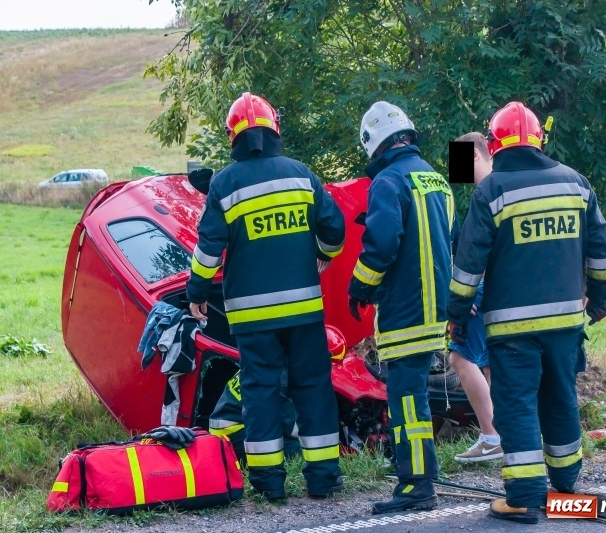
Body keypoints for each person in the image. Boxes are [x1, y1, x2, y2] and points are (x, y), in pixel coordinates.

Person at [446, 102, 606, 524]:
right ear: (539, 139)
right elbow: (602, 252)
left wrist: (457, 311)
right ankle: (566, 482)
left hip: (512, 327)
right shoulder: (576, 183)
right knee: (560, 398)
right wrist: (598, 299)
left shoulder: (491, 191)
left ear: (495, 144)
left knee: (516, 403)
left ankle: (523, 495)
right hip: (565, 324)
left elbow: (468, 265)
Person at [187, 92, 346, 501]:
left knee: (259, 391)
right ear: (275, 128)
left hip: (251, 317)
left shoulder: (223, 183)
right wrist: (322, 256)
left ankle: (270, 483)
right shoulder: (301, 174)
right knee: (312, 386)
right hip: (304, 311)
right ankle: (323, 477)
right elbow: (335, 231)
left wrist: (197, 291)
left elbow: (208, 250)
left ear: (233, 136)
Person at [348, 101, 457, 514]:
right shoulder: (438, 181)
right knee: (414, 396)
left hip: (405, 310)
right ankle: (421, 475)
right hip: (437, 309)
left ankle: (416, 485)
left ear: (374, 145)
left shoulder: (389, 183)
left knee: (406, 399)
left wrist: (359, 287)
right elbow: (455, 238)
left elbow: (381, 245)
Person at [449, 132, 502, 463]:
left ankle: (491, 435)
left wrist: (461, 296)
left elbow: (473, 255)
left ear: (474, 156)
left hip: (480, 289)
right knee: (489, 364)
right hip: (502, 290)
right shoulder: (503, 187)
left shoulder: (486, 193)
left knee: (460, 359)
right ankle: (502, 433)